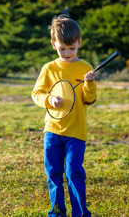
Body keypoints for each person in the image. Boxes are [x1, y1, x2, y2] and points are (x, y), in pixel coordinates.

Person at [31, 15, 97, 217]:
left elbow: (89, 99)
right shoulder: (48, 68)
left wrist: (90, 83)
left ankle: (80, 213)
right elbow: (37, 94)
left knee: (73, 172)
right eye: (62, 49)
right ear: (53, 45)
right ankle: (57, 212)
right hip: (52, 131)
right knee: (53, 174)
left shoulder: (85, 67)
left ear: (79, 43)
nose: (67, 53)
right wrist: (50, 99)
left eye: (72, 48)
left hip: (76, 132)